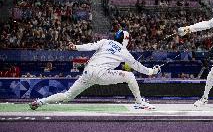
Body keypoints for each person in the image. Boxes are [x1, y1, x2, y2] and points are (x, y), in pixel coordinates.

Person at [29, 30, 161, 110]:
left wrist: (76, 47)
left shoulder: (105, 41)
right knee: (130, 76)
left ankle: (40, 101)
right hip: (102, 74)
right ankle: (139, 102)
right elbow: (137, 66)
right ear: (125, 39)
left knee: (68, 96)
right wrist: (151, 72)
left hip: (88, 72)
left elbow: (90, 46)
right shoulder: (124, 51)